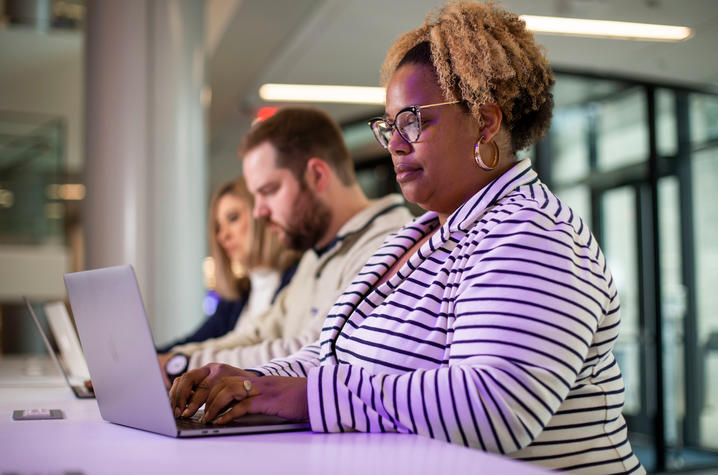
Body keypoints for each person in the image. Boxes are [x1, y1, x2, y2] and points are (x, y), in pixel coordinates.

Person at [169, 3, 643, 473]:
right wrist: (250, 382)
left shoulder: (531, 234)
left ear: (486, 120)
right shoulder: (419, 235)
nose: (395, 143)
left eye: (414, 121)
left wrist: (305, 396)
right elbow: (329, 355)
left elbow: (497, 407)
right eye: (390, 126)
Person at [160, 107, 412, 381]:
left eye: (268, 191)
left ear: (317, 175)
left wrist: (184, 365)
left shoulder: (388, 245)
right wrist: (175, 359)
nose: (259, 212)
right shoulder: (314, 255)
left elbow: (313, 350)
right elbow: (258, 333)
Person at [156, 177, 299, 355]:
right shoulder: (237, 298)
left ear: (260, 214)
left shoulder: (300, 278)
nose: (222, 236)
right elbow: (196, 341)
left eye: (233, 218)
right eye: (218, 227)